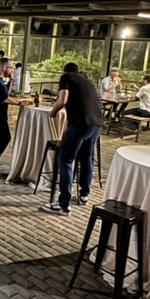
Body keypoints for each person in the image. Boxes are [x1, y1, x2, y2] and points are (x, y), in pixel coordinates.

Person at [42, 64, 104, 215]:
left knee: (65, 159)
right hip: (97, 124)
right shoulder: (87, 81)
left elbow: (63, 99)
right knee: (86, 157)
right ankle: (84, 195)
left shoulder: (66, 77)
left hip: (80, 124)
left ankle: (64, 204)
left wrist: (53, 111)